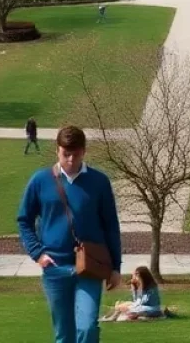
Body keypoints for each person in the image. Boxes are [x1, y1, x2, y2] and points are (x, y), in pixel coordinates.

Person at [18, 125, 123, 343]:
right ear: (58, 150)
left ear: (84, 151)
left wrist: (115, 268)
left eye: (76, 154)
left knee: (87, 328)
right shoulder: (40, 181)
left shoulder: (99, 182)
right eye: (66, 154)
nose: (71, 159)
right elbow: (24, 220)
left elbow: (111, 225)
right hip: (55, 268)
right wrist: (37, 253)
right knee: (64, 335)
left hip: (90, 267)